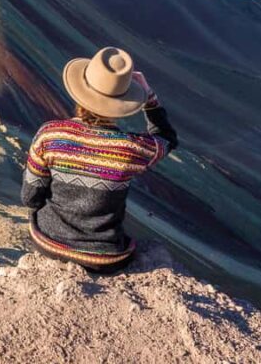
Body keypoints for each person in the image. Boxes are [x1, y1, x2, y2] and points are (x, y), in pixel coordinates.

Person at [21, 46, 177, 273]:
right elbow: (166, 139)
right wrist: (150, 99)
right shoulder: (131, 148)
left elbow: (30, 197)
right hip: (105, 258)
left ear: (79, 91)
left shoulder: (50, 135)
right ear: (124, 102)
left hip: (49, 244)